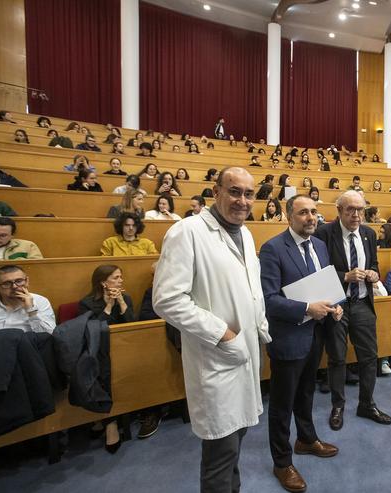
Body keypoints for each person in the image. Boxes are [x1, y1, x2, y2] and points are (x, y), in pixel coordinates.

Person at [153, 167, 271, 493]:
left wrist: (259, 327)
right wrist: (222, 333)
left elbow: (251, 289)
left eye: (249, 194)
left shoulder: (245, 233)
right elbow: (166, 300)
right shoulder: (186, 232)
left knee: (237, 439)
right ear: (215, 191)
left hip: (245, 355)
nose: (242, 200)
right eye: (234, 191)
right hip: (216, 358)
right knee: (221, 451)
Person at [259, 194, 342, 492]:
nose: (311, 217)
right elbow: (269, 301)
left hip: (316, 334)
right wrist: (307, 309)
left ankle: (306, 439)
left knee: (306, 393)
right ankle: (282, 462)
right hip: (288, 336)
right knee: (282, 404)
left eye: (314, 212)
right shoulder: (272, 249)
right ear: (288, 216)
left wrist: (334, 304)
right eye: (303, 212)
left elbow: (325, 287)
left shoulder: (320, 245)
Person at [314, 191, 391, 431]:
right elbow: (318, 271)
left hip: (362, 304)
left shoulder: (369, 234)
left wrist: (373, 273)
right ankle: (338, 406)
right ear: (339, 211)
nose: (356, 214)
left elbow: (375, 265)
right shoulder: (324, 233)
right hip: (336, 305)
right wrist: (344, 277)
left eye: (360, 209)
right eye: (350, 209)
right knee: (337, 358)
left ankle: (367, 404)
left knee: (369, 357)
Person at [0, 265, 55, 333]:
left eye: (19, 281)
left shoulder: (40, 301)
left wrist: (31, 311)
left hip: (27, 343)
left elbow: (48, 336)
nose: (14, 286)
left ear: (27, 281)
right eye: (7, 283)